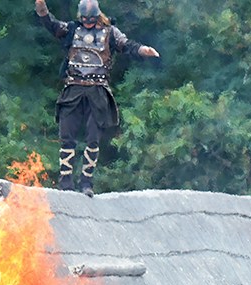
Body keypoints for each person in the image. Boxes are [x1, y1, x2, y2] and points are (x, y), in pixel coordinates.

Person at [34, 0, 158, 195]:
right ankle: (65, 184)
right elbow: (53, 25)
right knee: (67, 137)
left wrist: (144, 50)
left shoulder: (110, 32)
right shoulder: (72, 30)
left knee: (93, 139)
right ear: (80, 17)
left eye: (91, 19)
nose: (88, 23)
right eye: (85, 19)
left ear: (98, 16)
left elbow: (127, 45)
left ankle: (86, 184)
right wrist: (42, 9)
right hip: (73, 88)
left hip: (98, 90)